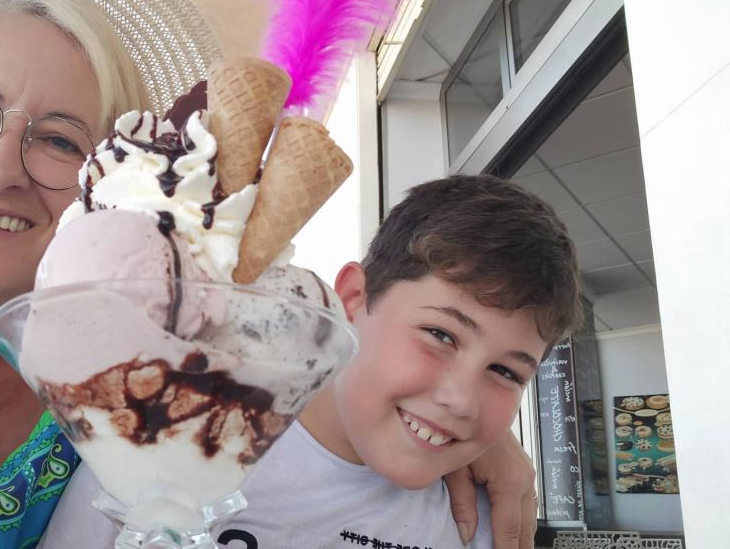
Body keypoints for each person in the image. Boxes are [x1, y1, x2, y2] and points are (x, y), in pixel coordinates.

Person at [0, 0, 537, 547]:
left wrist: (477, 429)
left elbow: (351, 354)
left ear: (109, 181)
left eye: (60, 139)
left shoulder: (143, 345)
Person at [42, 174, 581, 549]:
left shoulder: (484, 523)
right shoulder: (176, 441)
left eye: (506, 371)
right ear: (352, 300)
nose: (460, 399)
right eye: (440, 334)